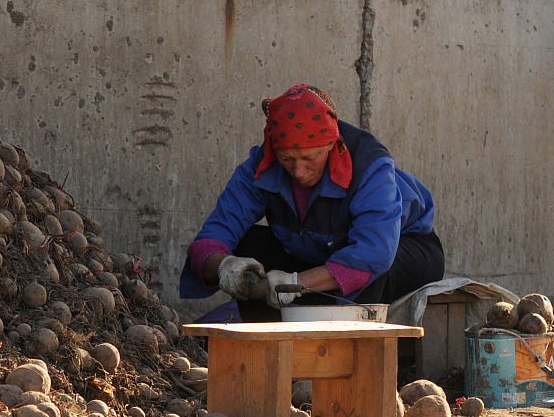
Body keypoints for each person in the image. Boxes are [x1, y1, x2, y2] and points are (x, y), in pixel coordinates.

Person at [179, 84, 444, 321]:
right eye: (287, 159)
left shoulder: (370, 165)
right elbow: (208, 242)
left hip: (406, 247)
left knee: (375, 268)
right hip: (319, 252)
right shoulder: (262, 166)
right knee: (247, 245)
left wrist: (296, 283)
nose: (298, 171)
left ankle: (340, 355)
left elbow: (374, 252)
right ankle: (269, 348)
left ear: (331, 146)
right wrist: (226, 267)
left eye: (310, 158)